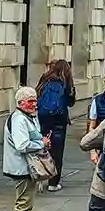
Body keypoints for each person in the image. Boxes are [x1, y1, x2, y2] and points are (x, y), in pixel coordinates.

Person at [2, 87, 51, 211]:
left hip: (26, 168)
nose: (34, 104)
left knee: (25, 205)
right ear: (20, 102)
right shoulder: (19, 119)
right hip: (21, 169)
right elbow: (22, 145)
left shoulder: (26, 117)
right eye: (30, 101)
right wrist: (41, 143)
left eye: (35, 100)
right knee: (22, 206)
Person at [36, 59, 75, 191]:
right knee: (57, 151)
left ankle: (39, 176)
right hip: (59, 120)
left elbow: (37, 94)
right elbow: (71, 101)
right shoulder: (66, 81)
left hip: (43, 118)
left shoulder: (44, 78)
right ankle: (53, 183)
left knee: (41, 146)